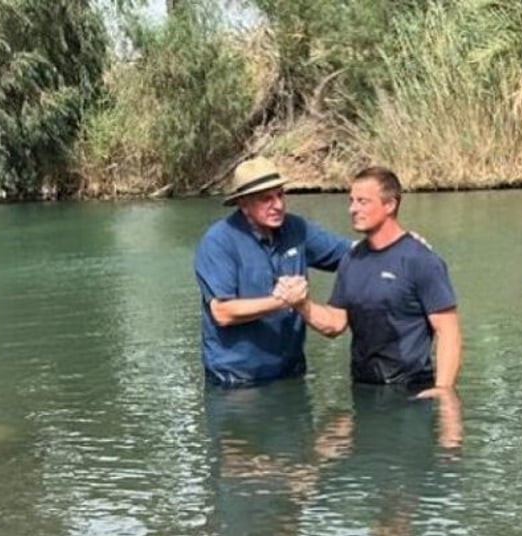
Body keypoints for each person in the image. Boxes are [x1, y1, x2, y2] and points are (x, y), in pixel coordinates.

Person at [275, 166, 462, 399]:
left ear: (390, 205)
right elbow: (334, 323)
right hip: (363, 392)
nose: (353, 209)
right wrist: (301, 304)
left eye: (363, 201)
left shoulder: (420, 259)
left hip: (411, 392)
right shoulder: (351, 260)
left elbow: (448, 332)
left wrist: (443, 391)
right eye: (351, 201)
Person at [194, 156, 352, 387]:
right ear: (243, 204)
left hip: (292, 374)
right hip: (236, 383)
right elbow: (222, 312)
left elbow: (350, 253)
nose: (277, 205)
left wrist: (398, 242)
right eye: (265, 199)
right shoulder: (218, 241)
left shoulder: (296, 229)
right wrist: (283, 301)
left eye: (280, 195)